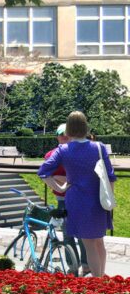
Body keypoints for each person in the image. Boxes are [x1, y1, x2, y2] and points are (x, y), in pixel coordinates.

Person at [40, 111, 112, 277]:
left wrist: (62, 188)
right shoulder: (99, 147)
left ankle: (98, 283)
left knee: (89, 245)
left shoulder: (63, 150)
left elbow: (43, 172)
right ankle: (102, 280)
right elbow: (110, 176)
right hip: (99, 200)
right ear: (85, 127)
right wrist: (109, 199)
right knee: (99, 242)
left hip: (77, 201)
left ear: (69, 129)